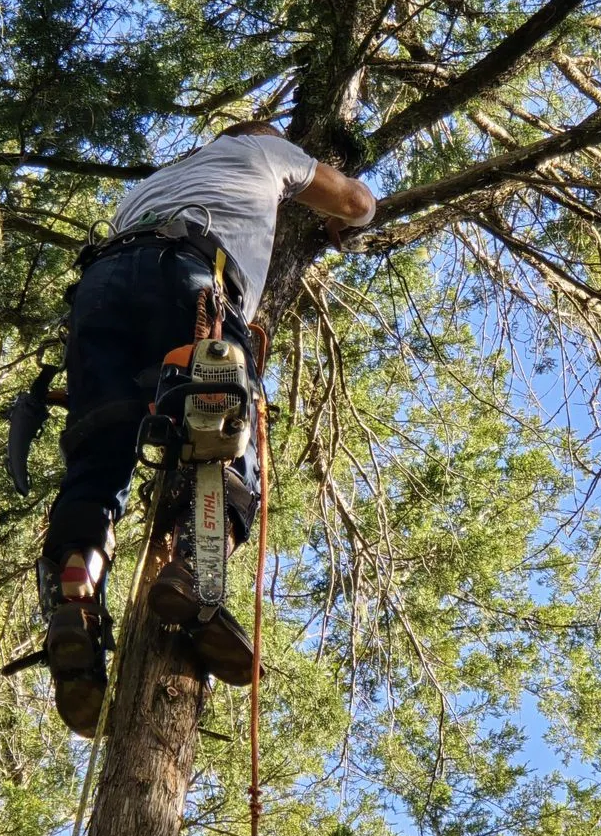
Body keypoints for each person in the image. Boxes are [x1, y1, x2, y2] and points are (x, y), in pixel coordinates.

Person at [36, 121, 376, 737]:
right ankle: (194, 572)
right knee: (218, 425)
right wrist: (350, 219)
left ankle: (77, 587)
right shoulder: (261, 150)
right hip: (191, 278)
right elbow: (354, 200)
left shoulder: (152, 184)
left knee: (101, 450)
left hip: (101, 288)